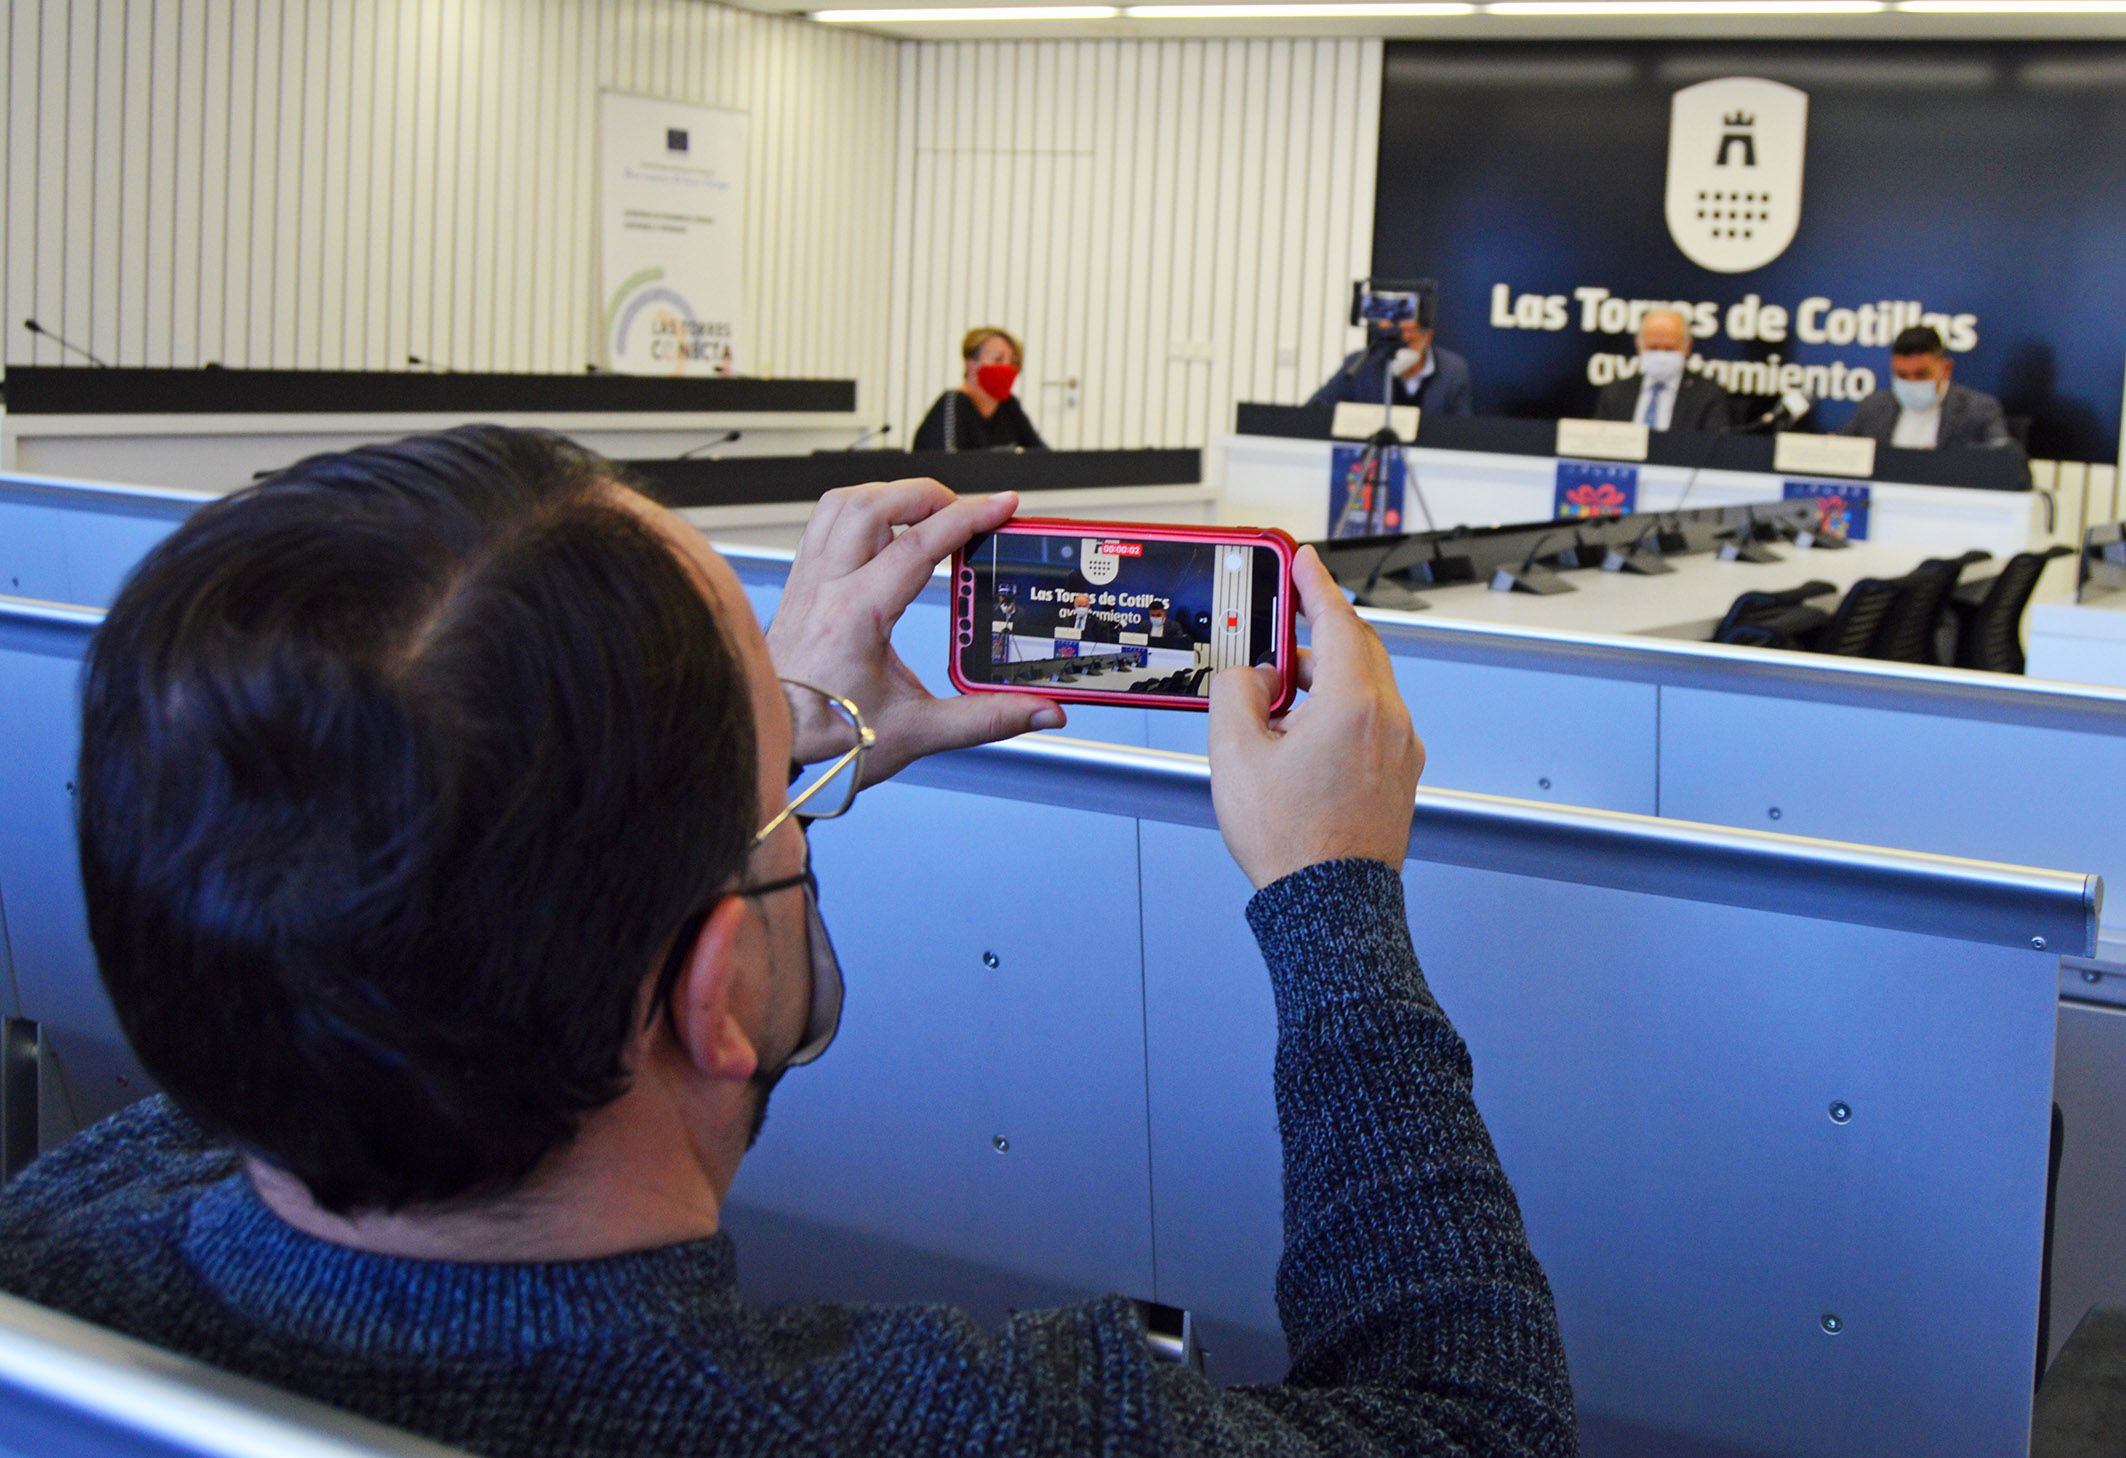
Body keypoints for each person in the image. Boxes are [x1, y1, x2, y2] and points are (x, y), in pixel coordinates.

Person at [0, 426, 1574, 1457]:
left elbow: (359, 931)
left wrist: (780, 732)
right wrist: (1330, 894)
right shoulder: (969, 1427)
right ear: (710, 997)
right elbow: (1475, 1424)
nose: (803, 778)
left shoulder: (59, 1242)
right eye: (782, 782)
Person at [1841, 324, 2013, 450]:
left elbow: (2000, 461)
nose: (1911, 382)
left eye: (1921, 374)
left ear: (1946, 369)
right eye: (1902, 375)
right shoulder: (1873, 407)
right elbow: (1844, 451)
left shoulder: (1979, 410)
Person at [1307, 311, 1474, 415]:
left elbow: (1460, 428)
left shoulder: (1453, 370)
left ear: (1427, 336)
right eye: (1394, 340)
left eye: (1409, 340)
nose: (1400, 349)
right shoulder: (1361, 364)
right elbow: (1316, 408)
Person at [1592, 308, 1731, 432]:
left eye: (1669, 349)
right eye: (1653, 348)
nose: (1661, 355)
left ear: (1687, 347)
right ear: (1639, 345)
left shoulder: (1708, 395)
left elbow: (1712, 450)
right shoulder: (1615, 392)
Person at [912, 326, 1048, 451]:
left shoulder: (1009, 406)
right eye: (998, 359)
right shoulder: (954, 403)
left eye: (1013, 362)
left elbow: (1043, 457)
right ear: (971, 364)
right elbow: (948, 463)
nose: (1007, 367)